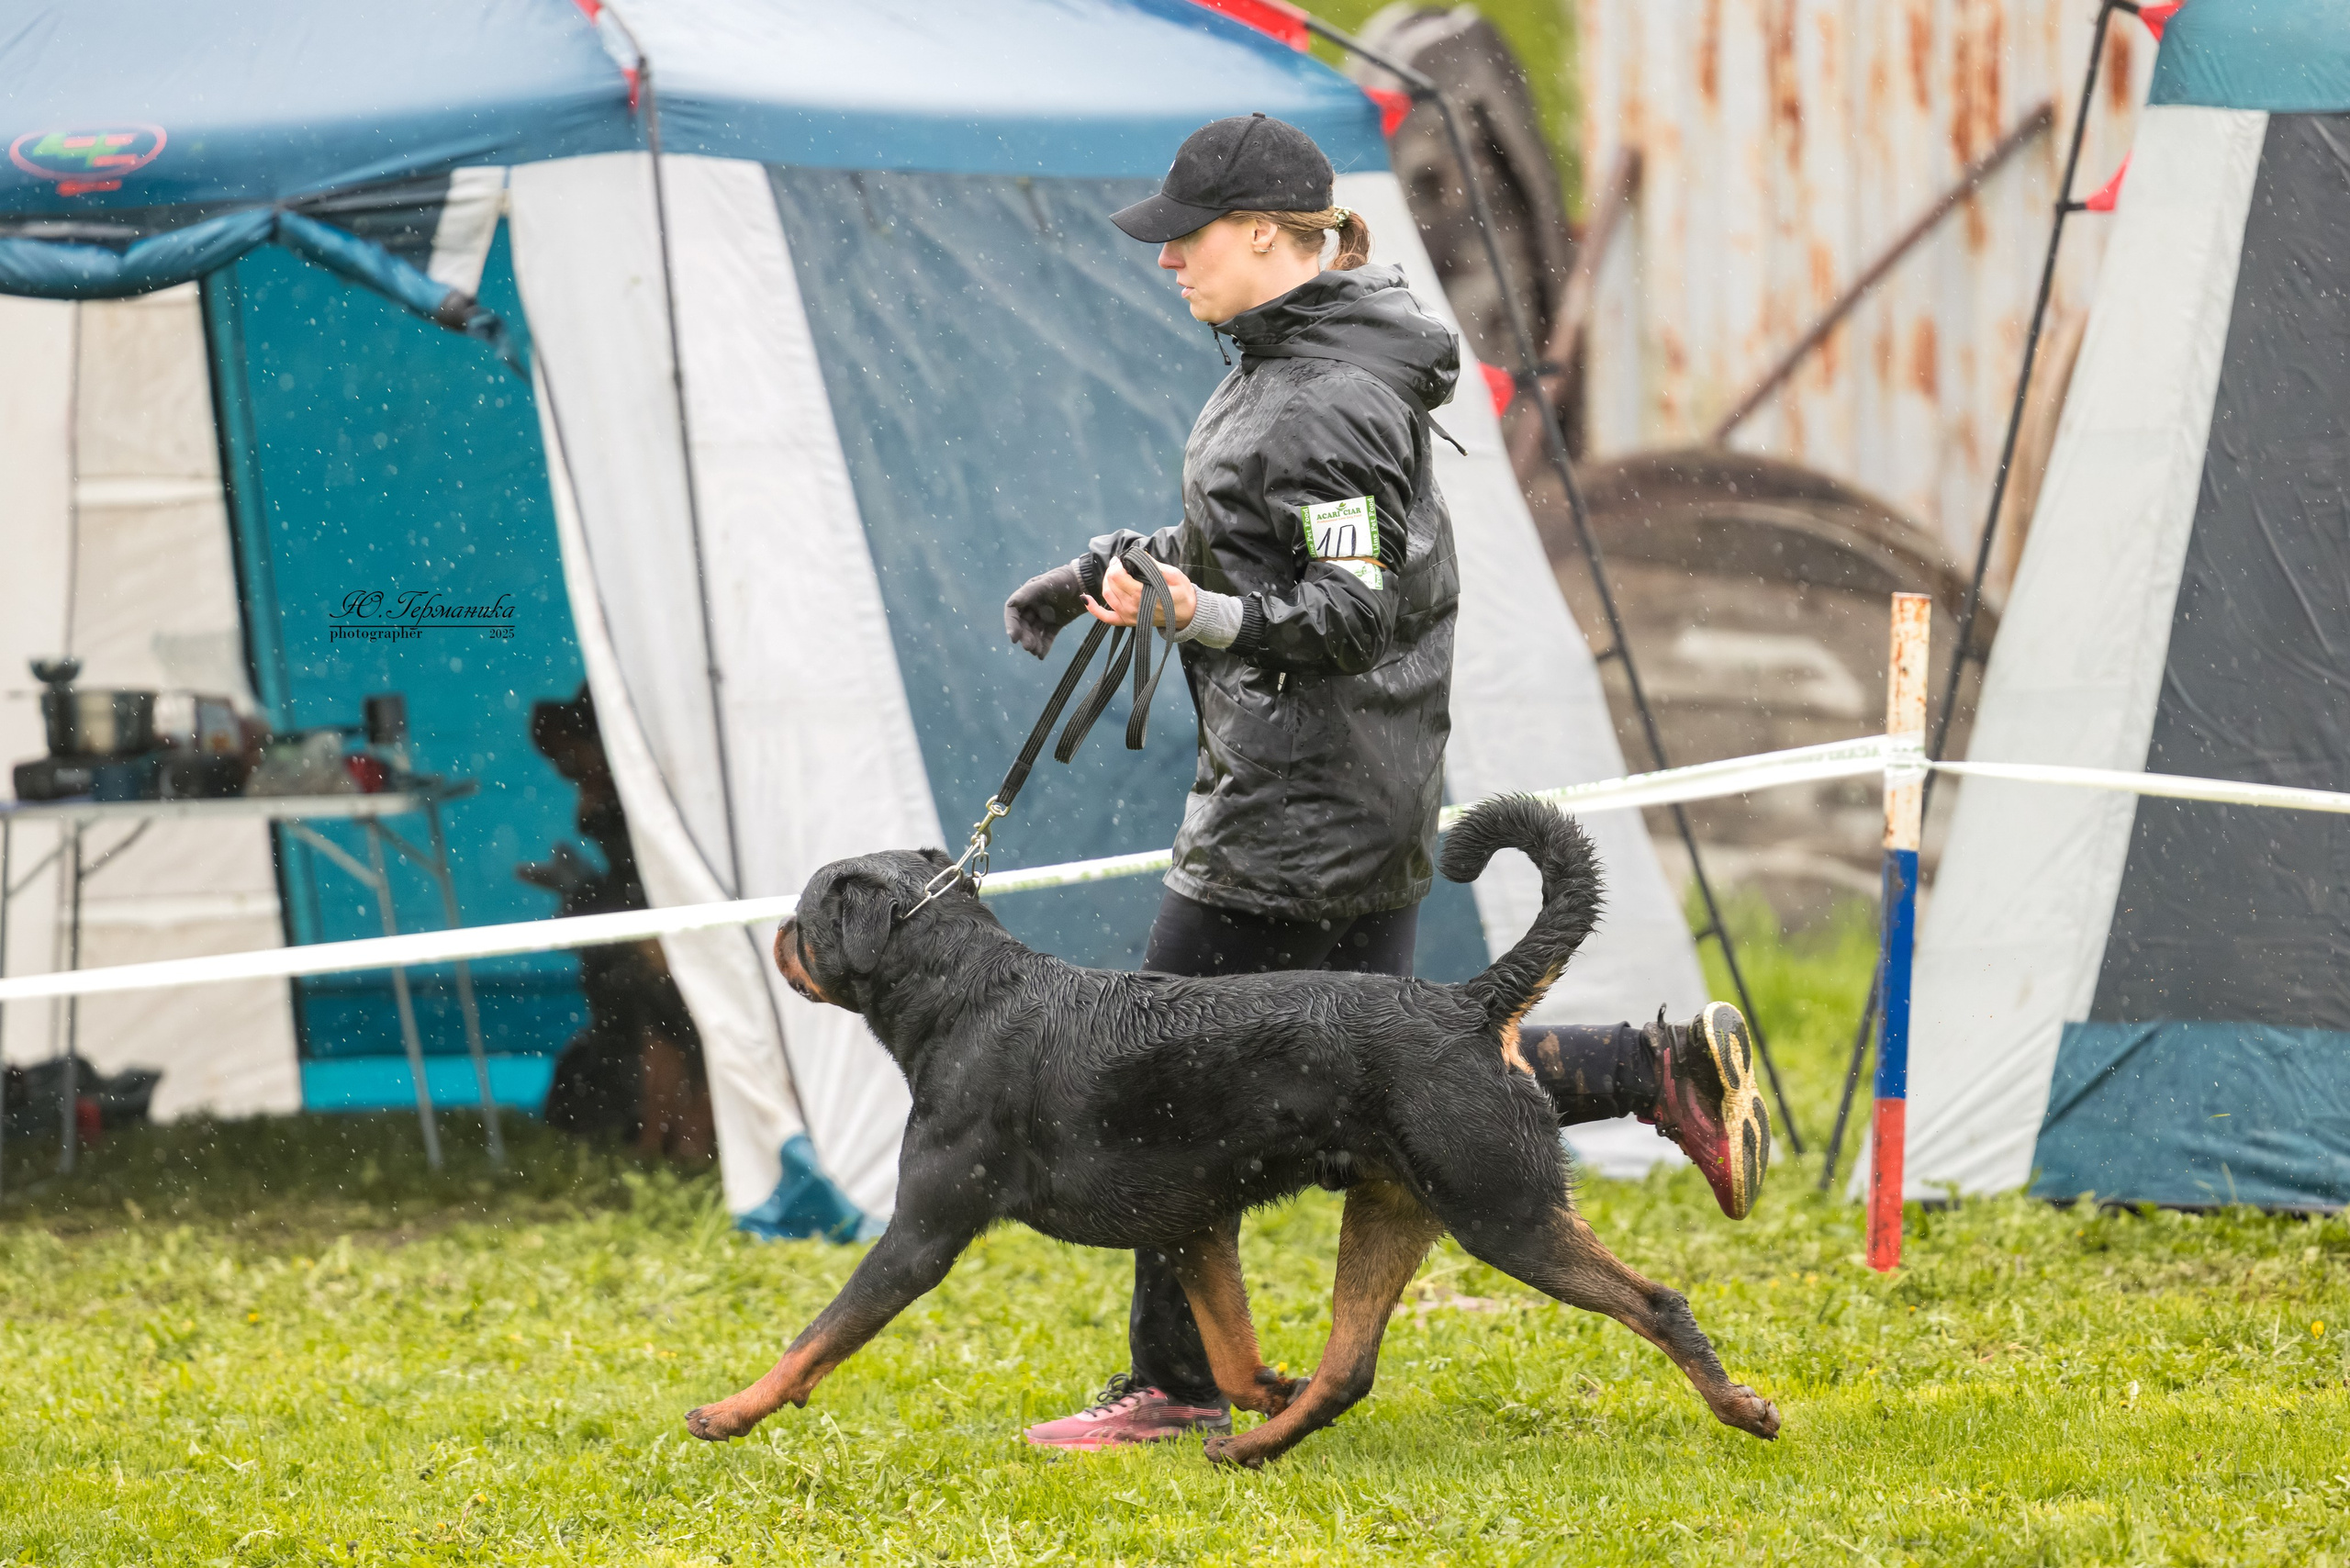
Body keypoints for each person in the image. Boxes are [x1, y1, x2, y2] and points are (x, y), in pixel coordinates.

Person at [1000, 114, 1770, 1452]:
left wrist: (1199, 616)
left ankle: (1175, 1385)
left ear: (1259, 235)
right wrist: (1103, 574)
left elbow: (1346, 610)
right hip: (1348, 799)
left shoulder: (1327, 395)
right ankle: (1654, 1068)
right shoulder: (1295, 365)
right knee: (1408, 1086)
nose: (1166, 260)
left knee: (1166, 1094)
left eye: (1184, 238)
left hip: (1297, 822)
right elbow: (1259, 526)